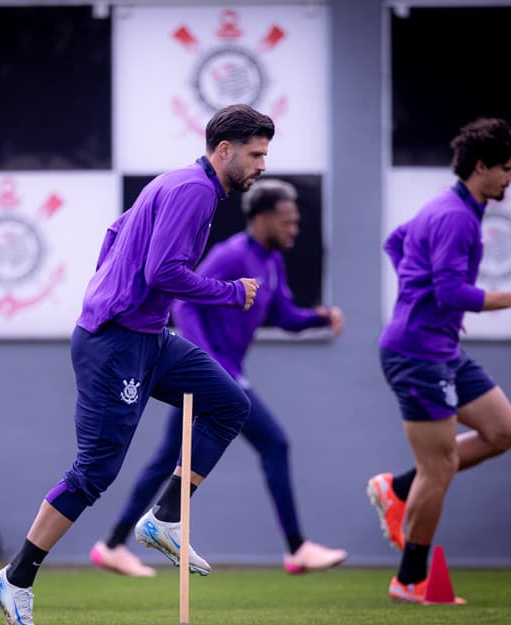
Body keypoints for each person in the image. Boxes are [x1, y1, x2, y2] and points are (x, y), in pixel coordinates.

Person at [0, 104, 273, 625]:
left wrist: (111, 290)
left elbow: (117, 236)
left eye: (264, 155)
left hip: (148, 337)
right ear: (224, 150)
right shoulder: (194, 189)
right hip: (115, 343)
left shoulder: (181, 184)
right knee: (94, 472)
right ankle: (16, 579)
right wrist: (230, 293)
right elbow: (162, 269)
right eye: (255, 154)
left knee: (230, 405)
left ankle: (162, 518)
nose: (261, 165)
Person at [90, 178, 347, 578]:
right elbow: (183, 303)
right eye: (287, 222)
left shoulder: (272, 262)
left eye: (296, 223)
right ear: (261, 218)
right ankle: (297, 548)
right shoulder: (231, 255)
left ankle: (112, 545)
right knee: (274, 443)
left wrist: (319, 316)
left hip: (224, 373)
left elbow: (284, 316)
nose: (294, 230)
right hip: (215, 372)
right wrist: (205, 363)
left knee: (168, 460)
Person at [368, 117, 511, 603]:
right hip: (416, 352)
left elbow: (396, 242)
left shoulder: (455, 207)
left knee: (504, 431)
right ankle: (409, 580)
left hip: (443, 347)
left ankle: (398, 486)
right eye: (506, 170)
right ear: (481, 166)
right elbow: (451, 292)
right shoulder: (453, 216)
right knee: (444, 463)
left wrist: (419, 292)